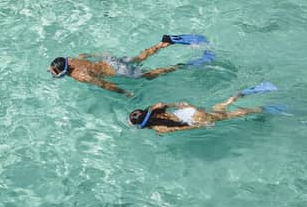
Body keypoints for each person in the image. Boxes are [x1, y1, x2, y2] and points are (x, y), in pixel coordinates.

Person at [49, 35, 210, 95]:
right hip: (109, 60)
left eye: (55, 72)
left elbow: (104, 84)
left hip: (118, 70)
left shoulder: (79, 76)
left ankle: (180, 66)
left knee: (149, 75)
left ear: (64, 71)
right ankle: (163, 43)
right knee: (139, 58)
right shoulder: (72, 59)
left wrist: (124, 91)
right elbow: (90, 55)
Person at [127, 83, 282, 134]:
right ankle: (241, 94)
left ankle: (265, 109)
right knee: (219, 107)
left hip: (193, 119)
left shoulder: (159, 128)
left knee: (232, 115)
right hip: (185, 111)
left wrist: (199, 124)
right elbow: (164, 104)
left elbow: (181, 129)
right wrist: (186, 106)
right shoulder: (153, 109)